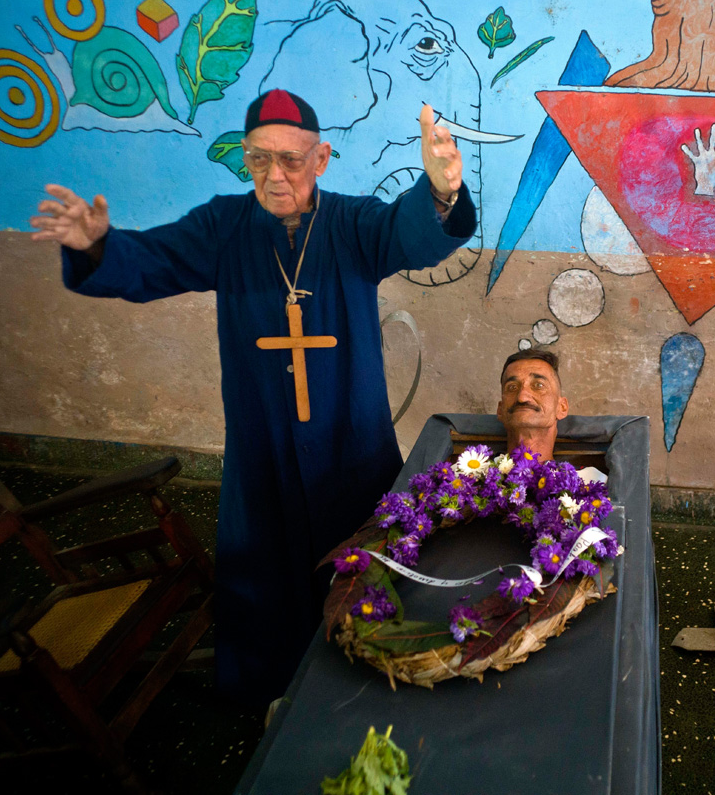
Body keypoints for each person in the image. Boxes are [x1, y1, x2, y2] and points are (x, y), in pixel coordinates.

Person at [28, 89, 476, 704]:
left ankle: (375, 682)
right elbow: (151, 260)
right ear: (245, 159)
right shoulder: (224, 226)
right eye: (260, 160)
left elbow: (415, 236)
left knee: (368, 564)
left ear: (321, 159)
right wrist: (98, 245)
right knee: (264, 576)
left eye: (292, 160)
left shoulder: (352, 223)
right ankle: (271, 697)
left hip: (352, 443)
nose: (275, 175)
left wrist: (442, 193)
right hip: (263, 447)